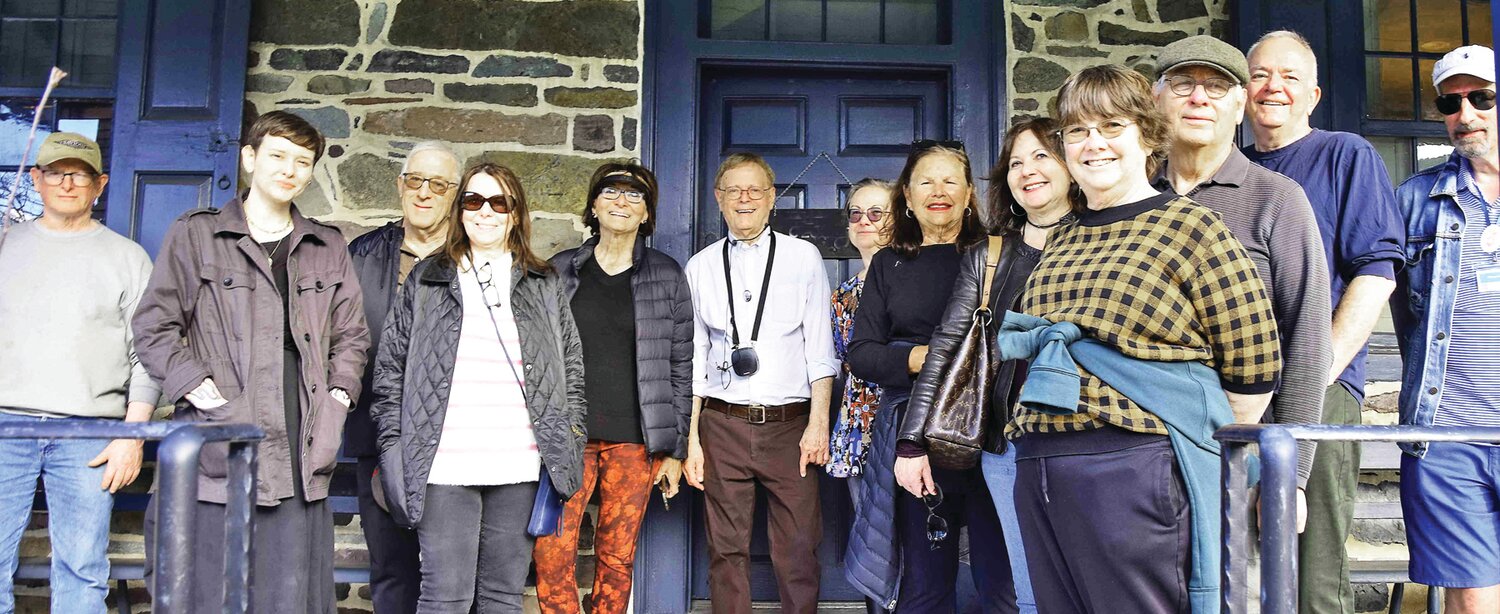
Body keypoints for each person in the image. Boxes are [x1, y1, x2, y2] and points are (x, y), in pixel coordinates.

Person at [1006, 64, 1280, 614]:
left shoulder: (1191, 227)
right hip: (1039, 464)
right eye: (1077, 131)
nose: (1093, 144)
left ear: (1147, 136)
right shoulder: (1063, 236)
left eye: (1111, 127)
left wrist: (1180, 432)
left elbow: (1254, 365)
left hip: (1133, 471)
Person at [132, 111, 370, 613]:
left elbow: (351, 337)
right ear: (249, 159)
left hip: (303, 433)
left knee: (288, 592)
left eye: (302, 162)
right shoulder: (197, 235)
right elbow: (154, 326)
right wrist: (198, 388)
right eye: (278, 156)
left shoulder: (327, 245)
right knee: (206, 587)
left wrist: (337, 399)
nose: (289, 169)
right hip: (220, 427)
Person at [369, 162, 586, 614]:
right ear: (460, 209)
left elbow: (571, 370)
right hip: (444, 464)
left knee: (502, 598)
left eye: (498, 201)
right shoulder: (429, 278)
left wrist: (571, 438)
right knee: (445, 597)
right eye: (473, 200)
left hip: (520, 465)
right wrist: (395, 447)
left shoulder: (543, 281)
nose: (484, 211)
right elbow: (389, 371)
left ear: (515, 212)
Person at [1242, 31, 1407, 614]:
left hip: (1320, 388)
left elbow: (1376, 272)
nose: (1272, 87)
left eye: (1288, 76)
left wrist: (1320, 371)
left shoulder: (1345, 155)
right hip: (1233, 393)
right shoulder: (1229, 172)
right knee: (1230, 560)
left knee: (1311, 570)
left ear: (1313, 93)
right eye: (1259, 74)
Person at [897, 117, 1081, 614]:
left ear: (1072, 164)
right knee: (1017, 591)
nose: (1028, 170)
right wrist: (913, 441)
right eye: (1016, 162)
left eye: (1042, 156)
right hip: (1006, 447)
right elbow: (946, 348)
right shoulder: (990, 256)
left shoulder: (1104, 241)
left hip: (1086, 446)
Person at [1151, 35, 1332, 532]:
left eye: (1217, 87)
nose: (1198, 98)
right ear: (1156, 99)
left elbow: (1307, 341)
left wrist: (1289, 476)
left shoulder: (1277, 199)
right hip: (1140, 455)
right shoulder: (1135, 193)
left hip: (1242, 456)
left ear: (1238, 106)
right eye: (1183, 84)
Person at [846, 140, 1016, 613]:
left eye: (950, 181)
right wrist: (923, 358)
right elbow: (861, 353)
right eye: (925, 181)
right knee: (925, 584)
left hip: (991, 433)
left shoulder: (998, 257)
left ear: (968, 195)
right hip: (917, 437)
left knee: (1000, 586)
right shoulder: (889, 264)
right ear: (907, 196)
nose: (937, 191)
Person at [0, 132, 158, 613]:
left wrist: (132, 436)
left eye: (81, 174)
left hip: (91, 433)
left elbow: (148, 355)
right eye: (56, 172)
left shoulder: (129, 258)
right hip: (4, 427)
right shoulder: (6, 243)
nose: (68, 182)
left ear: (100, 184)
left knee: (83, 570)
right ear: (36, 179)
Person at [681, 153, 837, 614]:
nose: (744, 198)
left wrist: (819, 423)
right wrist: (691, 439)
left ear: (772, 198)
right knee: (725, 549)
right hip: (722, 424)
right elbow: (693, 357)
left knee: (799, 546)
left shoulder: (803, 257)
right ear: (719, 199)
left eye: (754, 190)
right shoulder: (700, 266)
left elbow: (820, 349)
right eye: (733, 189)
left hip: (792, 426)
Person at [534, 162, 693, 614]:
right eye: (611, 191)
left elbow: (682, 363)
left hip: (634, 442)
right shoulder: (559, 271)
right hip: (566, 440)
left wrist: (674, 449)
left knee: (617, 558)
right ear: (594, 205)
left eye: (635, 195)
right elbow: (537, 355)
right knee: (551, 552)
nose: (622, 201)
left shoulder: (667, 275)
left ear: (647, 214)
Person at [1391, 44, 1500, 614]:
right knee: (1472, 602)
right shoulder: (1413, 200)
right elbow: (1377, 296)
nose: (1466, 114)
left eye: (1482, 96)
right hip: (1449, 435)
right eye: (1450, 102)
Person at [345, 140, 463, 614]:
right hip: (379, 437)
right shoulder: (361, 254)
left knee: (454, 575)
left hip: (457, 443)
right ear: (400, 185)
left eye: (438, 184)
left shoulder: (474, 257)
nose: (424, 192)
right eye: (415, 180)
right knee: (391, 570)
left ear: (454, 194)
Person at [827, 177, 894, 485]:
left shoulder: (913, 280)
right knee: (867, 530)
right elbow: (844, 358)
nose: (864, 220)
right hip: (857, 423)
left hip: (904, 418)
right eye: (856, 214)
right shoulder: (843, 295)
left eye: (876, 213)